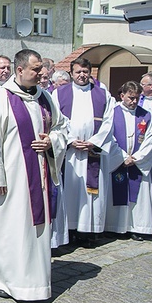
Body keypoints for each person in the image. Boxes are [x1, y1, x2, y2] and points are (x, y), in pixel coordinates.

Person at [0, 49, 67, 301]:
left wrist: (52, 142)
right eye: (36, 69)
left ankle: (33, 282)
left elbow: (61, 127)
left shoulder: (45, 98)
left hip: (39, 178)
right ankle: (1, 278)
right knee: (9, 231)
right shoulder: (0, 99)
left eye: (42, 68)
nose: (42, 73)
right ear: (20, 70)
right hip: (9, 180)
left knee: (33, 231)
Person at [53, 58, 114, 247]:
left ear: (91, 72)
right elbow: (56, 120)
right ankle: (69, 231)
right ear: (71, 73)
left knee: (90, 193)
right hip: (69, 153)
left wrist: (93, 142)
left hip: (92, 153)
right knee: (70, 191)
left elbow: (108, 122)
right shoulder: (59, 93)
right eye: (78, 72)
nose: (82, 75)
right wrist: (70, 140)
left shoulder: (103, 94)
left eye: (85, 72)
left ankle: (88, 232)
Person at [105, 81, 152, 240]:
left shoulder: (146, 115)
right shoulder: (112, 113)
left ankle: (135, 227)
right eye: (130, 97)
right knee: (116, 192)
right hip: (118, 161)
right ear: (122, 96)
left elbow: (150, 139)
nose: (134, 101)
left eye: (136, 98)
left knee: (137, 196)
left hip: (137, 162)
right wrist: (121, 157)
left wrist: (136, 158)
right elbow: (108, 137)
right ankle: (113, 226)